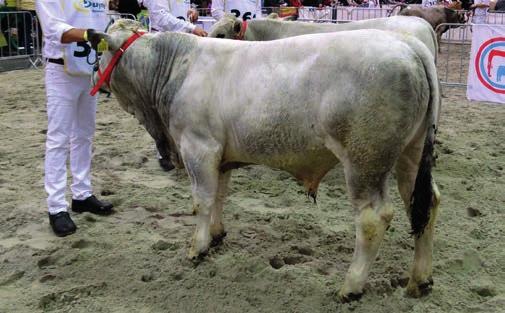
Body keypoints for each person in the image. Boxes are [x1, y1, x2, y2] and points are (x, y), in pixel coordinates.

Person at [36, 0, 114, 237]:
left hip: (88, 69)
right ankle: (56, 207)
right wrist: (87, 34)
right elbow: (52, 28)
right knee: (58, 139)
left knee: (84, 135)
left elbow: (104, 25)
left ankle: (82, 193)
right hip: (61, 71)